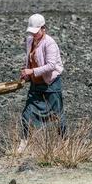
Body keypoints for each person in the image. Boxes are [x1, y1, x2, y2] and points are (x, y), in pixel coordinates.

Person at [18, 13, 65, 153]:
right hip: (35, 85)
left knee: (57, 115)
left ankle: (63, 142)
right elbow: (30, 60)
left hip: (51, 84)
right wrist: (26, 76)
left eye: (36, 31)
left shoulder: (50, 43)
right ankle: (24, 141)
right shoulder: (29, 41)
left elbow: (51, 65)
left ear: (43, 28)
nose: (34, 35)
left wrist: (32, 72)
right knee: (26, 114)